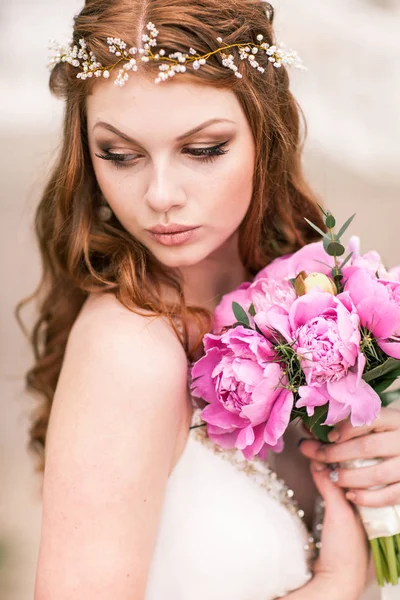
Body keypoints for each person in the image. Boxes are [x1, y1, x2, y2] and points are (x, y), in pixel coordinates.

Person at [17, 1, 400, 599]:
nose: (160, 194)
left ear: (263, 133)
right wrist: (336, 583)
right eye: (120, 155)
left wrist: (381, 471)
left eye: (203, 150)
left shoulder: (309, 294)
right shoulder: (130, 347)